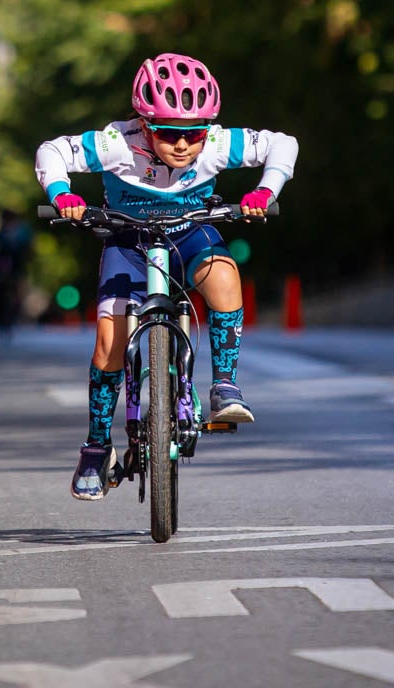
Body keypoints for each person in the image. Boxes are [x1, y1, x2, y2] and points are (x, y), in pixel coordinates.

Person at [36, 53, 298, 500]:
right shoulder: (116, 142)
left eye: (193, 134)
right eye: (169, 133)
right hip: (128, 246)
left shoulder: (217, 143)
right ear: (144, 122)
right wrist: (63, 194)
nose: (183, 145)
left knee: (224, 275)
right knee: (108, 343)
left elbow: (283, 144)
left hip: (191, 236)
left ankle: (224, 385)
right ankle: (97, 445)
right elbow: (52, 151)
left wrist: (263, 191)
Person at [0, 208, 32, 341]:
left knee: (17, 293)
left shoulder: (22, 234)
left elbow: (28, 251)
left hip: (16, 270)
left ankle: (15, 315)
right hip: (1, 271)